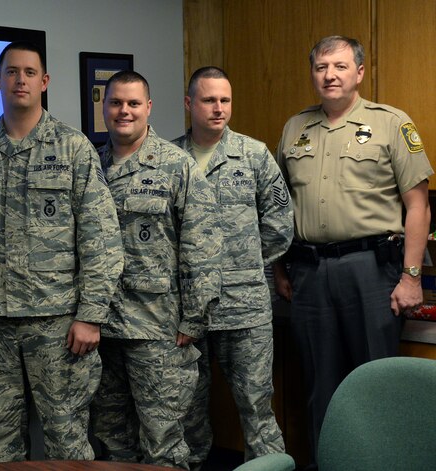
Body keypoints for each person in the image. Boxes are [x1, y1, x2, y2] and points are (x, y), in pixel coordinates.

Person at [0, 41, 123, 462]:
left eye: (30, 73)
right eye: (12, 72)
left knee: (67, 438)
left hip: (58, 323)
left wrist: (90, 316)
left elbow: (100, 237)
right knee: (1, 442)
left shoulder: (73, 147)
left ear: (44, 81)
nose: (20, 80)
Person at [273, 36, 432, 468]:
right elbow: (278, 205)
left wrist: (411, 276)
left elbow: (418, 205)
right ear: (313, 73)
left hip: (370, 270)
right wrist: (280, 267)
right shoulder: (295, 128)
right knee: (320, 388)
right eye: (322, 67)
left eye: (340, 67)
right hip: (309, 272)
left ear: (359, 73)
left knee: (377, 384)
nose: (330, 75)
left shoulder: (391, 123)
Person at [89, 70, 220, 469]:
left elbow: (202, 245)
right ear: (105, 108)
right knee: (112, 440)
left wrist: (193, 319)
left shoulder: (176, 166)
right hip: (102, 327)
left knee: (164, 443)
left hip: (159, 331)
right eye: (115, 103)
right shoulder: (91, 164)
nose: (123, 111)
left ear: (148, 107)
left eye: (132, 103)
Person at [173, 66, 294, 468]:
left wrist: (242, 266)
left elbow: (279, 224)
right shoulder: (169, 158)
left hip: (245, 309)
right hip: (185, 313)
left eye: (225, 100)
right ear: (190, 103)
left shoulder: (254, 154)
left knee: (257, 412)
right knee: (186, 416)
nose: (219, 108)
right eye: (209, 100)